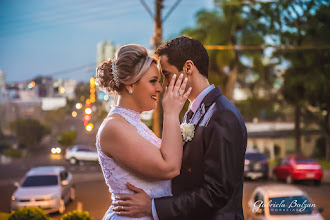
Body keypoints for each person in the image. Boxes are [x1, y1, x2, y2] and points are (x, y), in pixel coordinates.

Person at [113, 36, 247, 220]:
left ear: (188, 68)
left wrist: (154, 207)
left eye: (166, 75)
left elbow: (217, 192)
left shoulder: (222, 115)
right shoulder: (192, 113)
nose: (164, 85)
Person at [95, 44, 191, 220]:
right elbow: (169, 168)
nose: (160, 88)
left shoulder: (133, 123)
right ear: (130, 83)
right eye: (153, 81)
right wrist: (170, 113)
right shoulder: (114, 127)